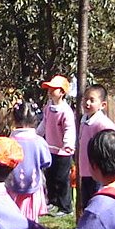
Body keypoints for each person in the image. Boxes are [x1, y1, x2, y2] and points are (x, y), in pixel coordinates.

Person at [36, 75, 76, 217]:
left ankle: (66, 207)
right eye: (49, 88)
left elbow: (69, 128)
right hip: (50, 148)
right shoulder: (48, 108)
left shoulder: (65, 111)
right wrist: (37, 134)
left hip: (63, 152)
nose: (50, 91)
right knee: (51, 177)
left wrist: (67, 144)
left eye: (53, 89)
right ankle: (53, 202)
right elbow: (44, 124)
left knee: (62, 179)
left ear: (62, 92)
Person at [7, 101, 51, 221]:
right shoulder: (39, 141)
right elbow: (47, 161)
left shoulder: (10, 141)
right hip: (33, 184)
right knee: (31, 219)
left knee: (13, 217)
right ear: (35, 120)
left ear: (14, 120)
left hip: (12, 186)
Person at [77, 84, 115, 206]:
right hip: (86, 171)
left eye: (92, 100)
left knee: (96, 202)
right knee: (86, 202)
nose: (87, 103)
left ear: (103, 105)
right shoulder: (84, 120)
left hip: (98, 173)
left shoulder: (102, 123)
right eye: (85, 99)